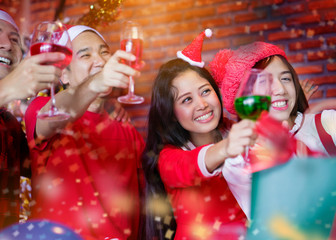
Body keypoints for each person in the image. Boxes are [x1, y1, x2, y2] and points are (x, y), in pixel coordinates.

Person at [24, 25, 145, 240]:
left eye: (104, 52)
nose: (100, 60)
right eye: (86, 55)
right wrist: (96, 83)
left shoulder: (127, 129)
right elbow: (58, 111)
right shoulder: (43, 109)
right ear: (64, 75)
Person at [142, 30, 257, 240]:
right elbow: (190, 166)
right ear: (172, 114)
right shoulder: (168, 158)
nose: (202, 105)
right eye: (187, 100)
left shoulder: (238, 131)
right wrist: (226, 147)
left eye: (205, 91)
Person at [0, 3, 65, 239]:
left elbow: (46, 167)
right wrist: (7, 88)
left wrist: (98, 104)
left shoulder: (10, 125)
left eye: (15, 39)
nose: (7, 44)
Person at [210, 41, 336, 156]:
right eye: (265, 81)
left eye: (286, 79)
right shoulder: (242, 154)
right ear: (246, 95)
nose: (280, 89)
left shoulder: (326, 123)